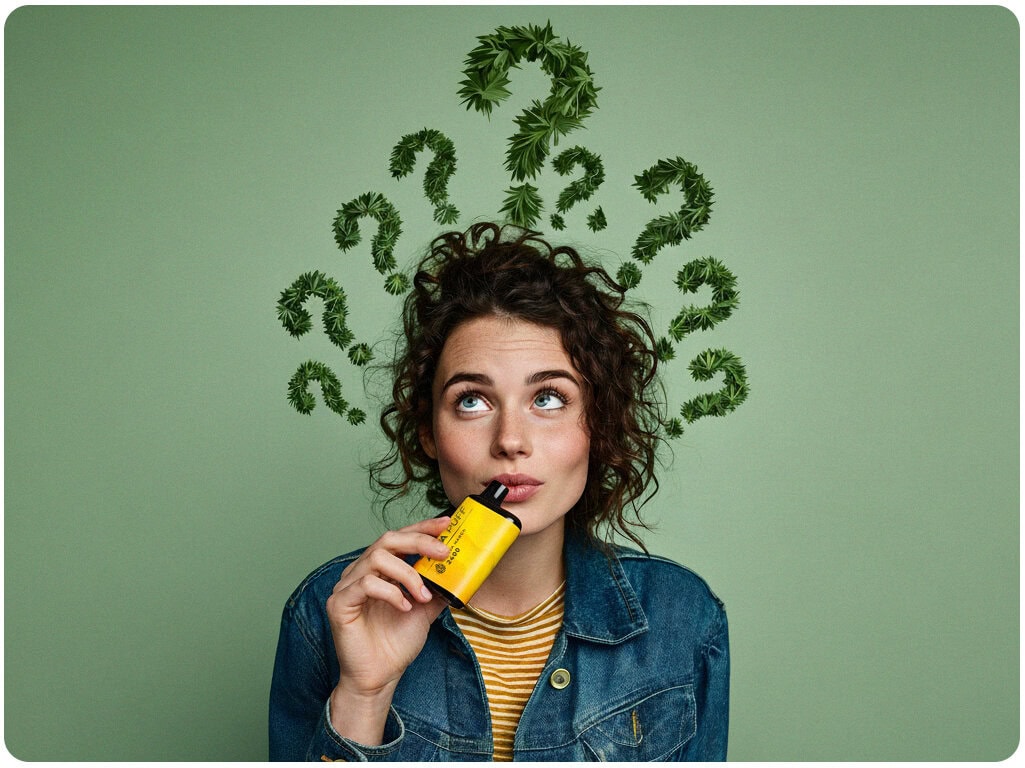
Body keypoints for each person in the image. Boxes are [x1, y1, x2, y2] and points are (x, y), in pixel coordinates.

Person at [269, 222, 729, 761]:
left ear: (597, 424)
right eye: (471, 401)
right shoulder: (328, 613)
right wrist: (363, 695)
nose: (511, 441)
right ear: (429, 434)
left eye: (550, 398)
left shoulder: (685, 618)